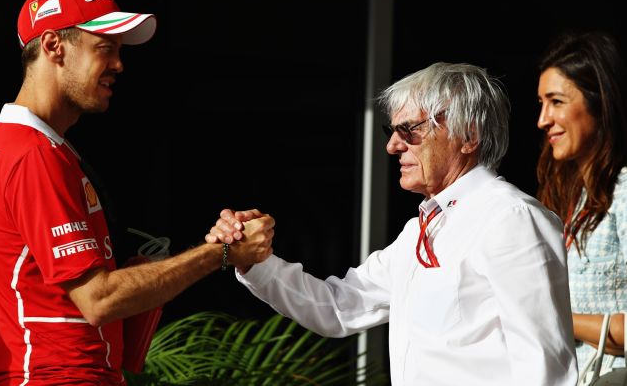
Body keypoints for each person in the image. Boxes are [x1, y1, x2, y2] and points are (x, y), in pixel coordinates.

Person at [0, 0, 274, 386]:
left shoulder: (26, 147)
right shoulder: (32, 154)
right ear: (54, 46)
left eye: (120, 51)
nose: (118, 64)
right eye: (104, 48)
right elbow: (98, 299)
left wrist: (141, 277)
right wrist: (219, 254)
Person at [206, 62, 579, 385]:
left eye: (410, 130)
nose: (393, 146)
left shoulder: (511, 219)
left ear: (468, 136)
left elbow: (545, 369)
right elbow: (338, 307)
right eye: (392, 132)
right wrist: (253, 260)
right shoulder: (420, 230)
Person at [536, 30, 627, 375]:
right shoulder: (572, 201)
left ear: (599, 100)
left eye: (556, 101)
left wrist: (554, 317)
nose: (543, 119)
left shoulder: (624, 191)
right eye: (541, 103)